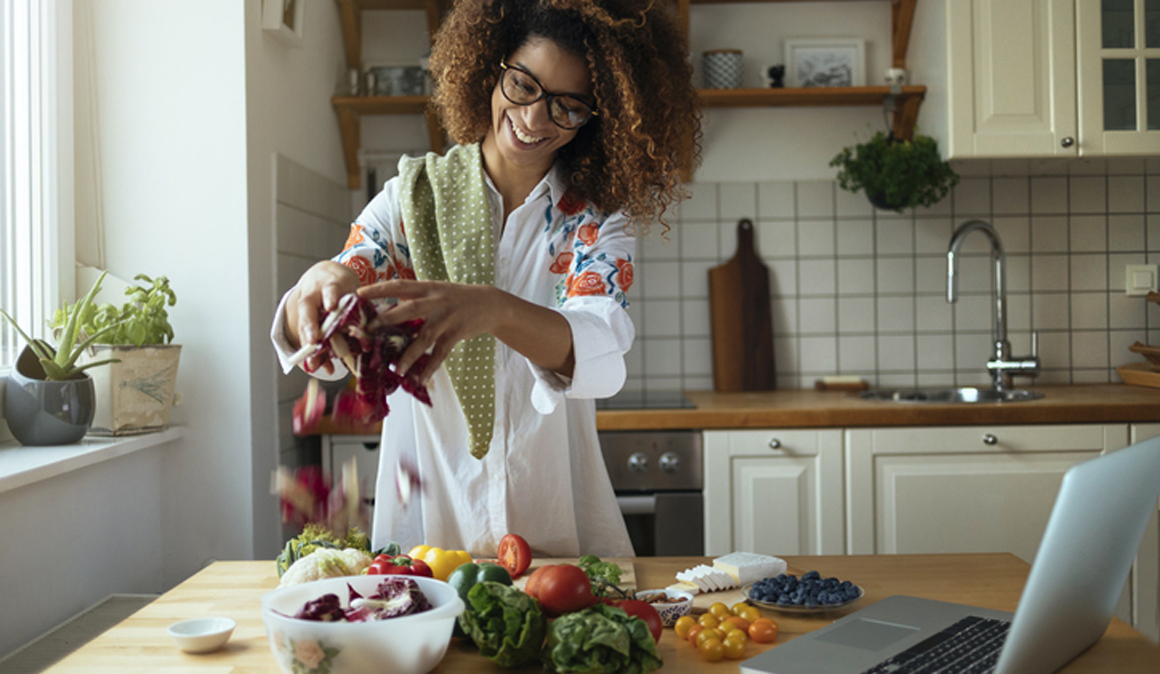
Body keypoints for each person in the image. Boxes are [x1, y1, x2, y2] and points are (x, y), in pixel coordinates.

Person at [271, 0, 699, 558]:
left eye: (568, 107)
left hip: (557, 537)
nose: (535, 118)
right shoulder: (411, 200)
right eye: (523, 85)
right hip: (427, 534)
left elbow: (600, 348)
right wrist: (322, 285)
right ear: (490, 70)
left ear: (599, 118)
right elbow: (346, 287)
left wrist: (495, 309)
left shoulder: (594, 221)